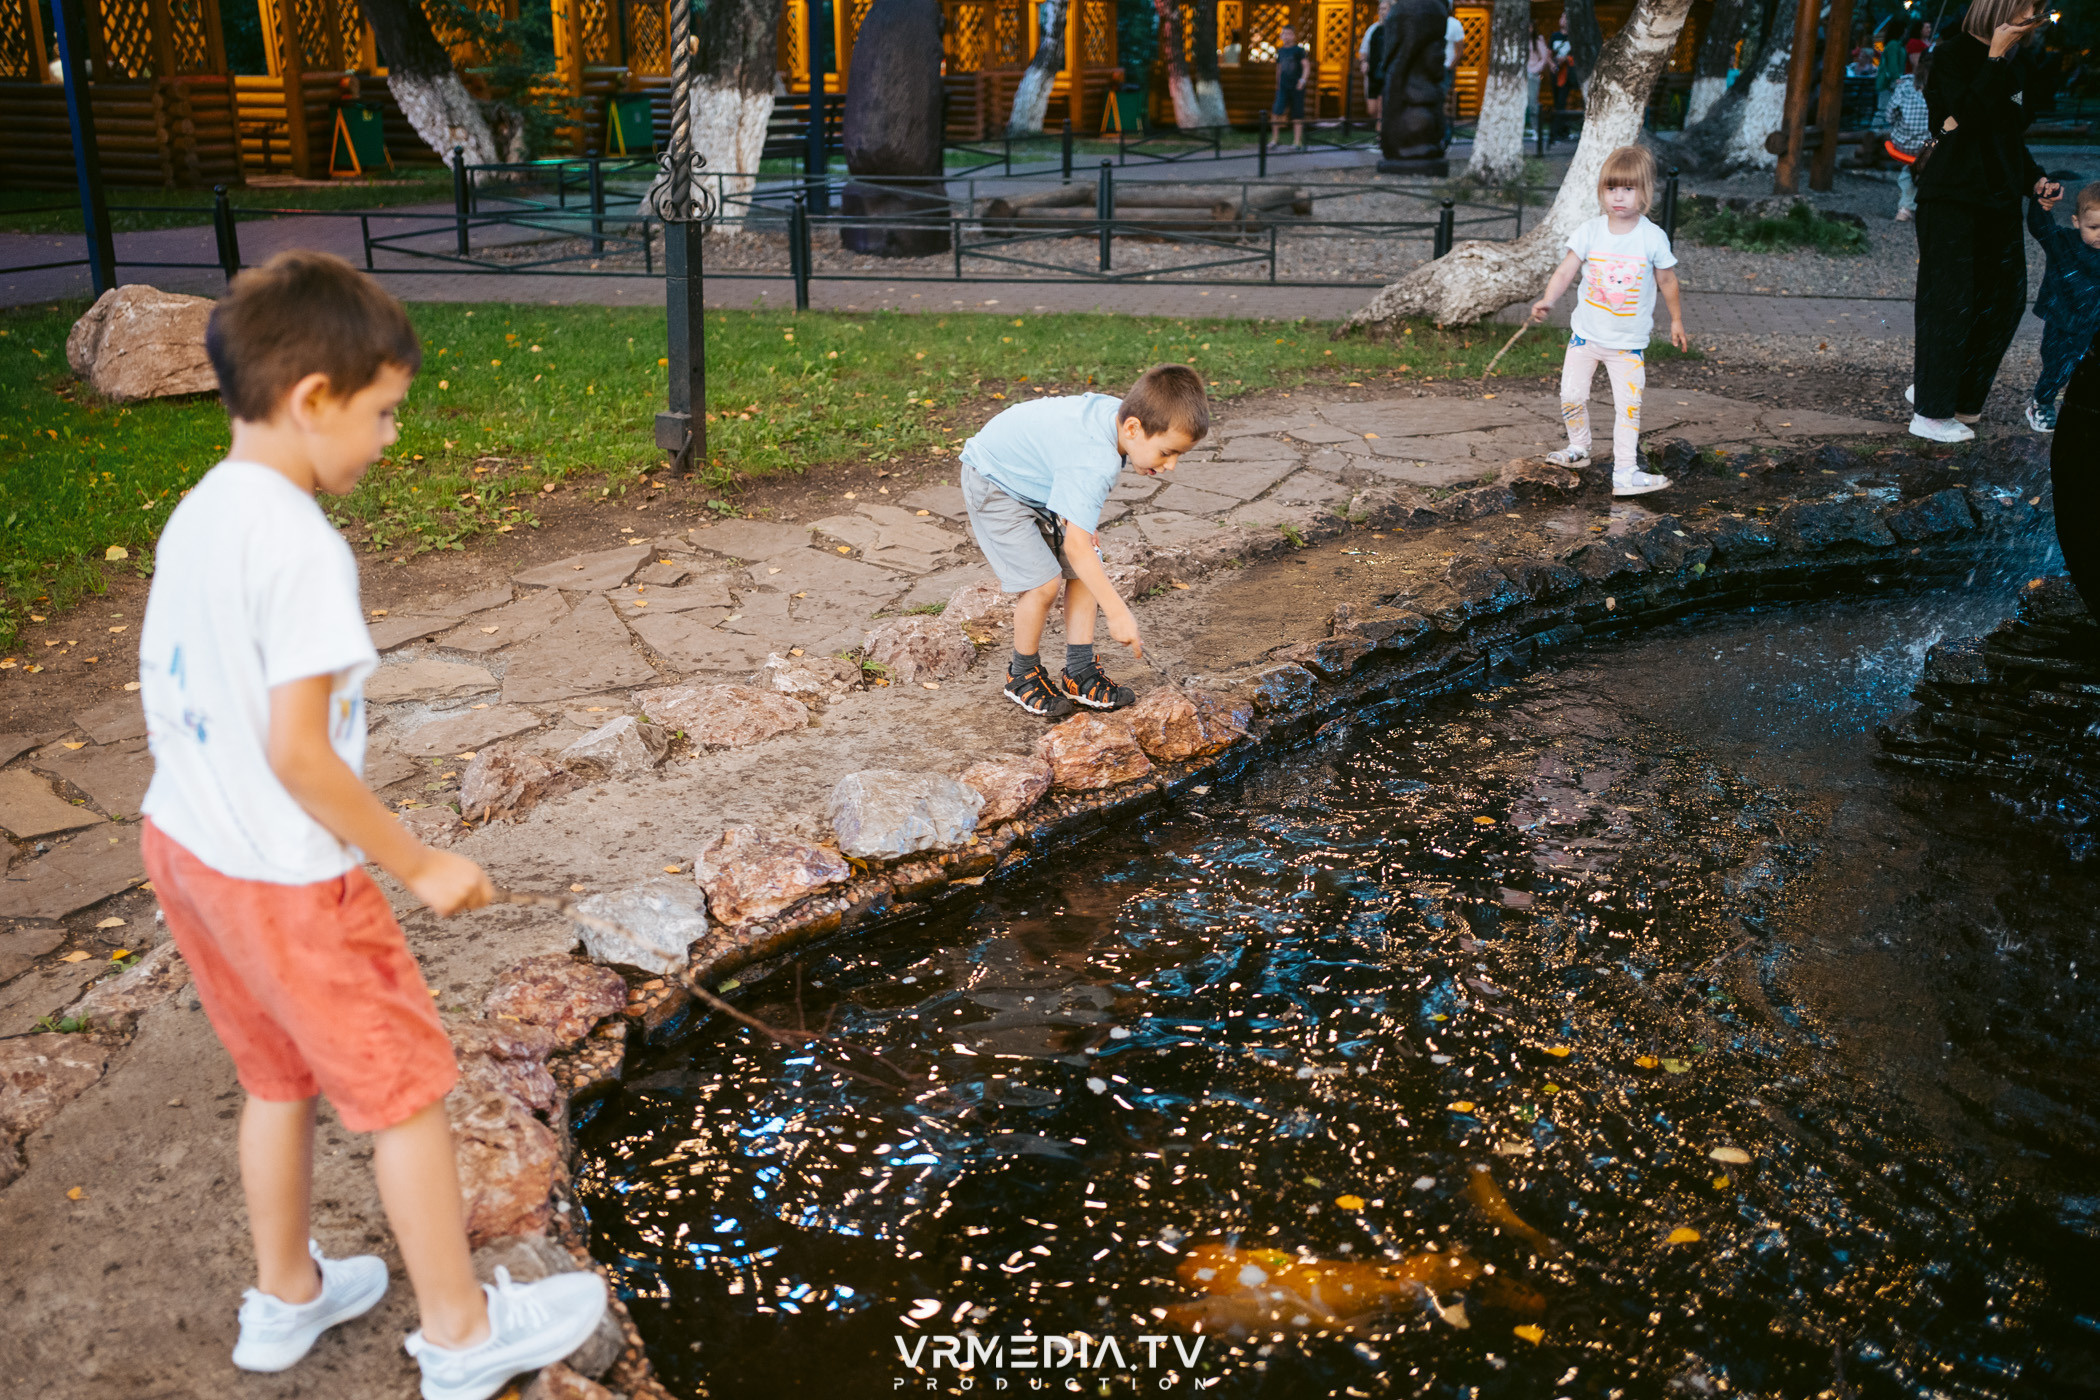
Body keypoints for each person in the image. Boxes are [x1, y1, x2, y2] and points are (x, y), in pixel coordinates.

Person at [137, 250, 609, 1400]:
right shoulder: (301, 546)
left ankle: (287, 1291)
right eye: (385, 411)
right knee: (407, 1096)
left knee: (276, 1077)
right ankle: (461, 1332)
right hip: (291, 878)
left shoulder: (203, 508)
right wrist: (419, 859)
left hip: (189, 847)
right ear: (314, 398)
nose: (391, 436)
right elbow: (299, 754)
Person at [959, 366, 1208, 717]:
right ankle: (1021, 673)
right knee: (1044, 583)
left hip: (1037, 477)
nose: (1172, 465)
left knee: (1088, 562)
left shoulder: (1118, 421)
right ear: (1133, 428)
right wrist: (1118, 613)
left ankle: (1079, 670)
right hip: (996, 480)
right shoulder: (1096, 460)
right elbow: (1076, 533)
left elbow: (1069, 464)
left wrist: (1078, 520)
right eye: (1167, 452)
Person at [1907, 0, 2063, 443]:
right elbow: (1962, 122)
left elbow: (2007, 136)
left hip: (1998, 200)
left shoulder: (2016, 66)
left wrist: (2035, 180)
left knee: (2004, 302)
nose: (2032, 18)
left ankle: (1959, 399)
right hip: (1952, 195)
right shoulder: (1951, 55)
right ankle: (1930, 412)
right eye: (2028, 9)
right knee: (1950, 301)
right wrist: (1993, 58)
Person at [1527, 144, 1690, 497]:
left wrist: (1676, 320)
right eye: (1611, 188)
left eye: (1628, 189)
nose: (1618, 197)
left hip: (1627, 346)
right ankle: (1578, 447)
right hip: (1585, 338)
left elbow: (1667, 281)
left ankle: (1626, 472)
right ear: (1601, 191)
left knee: (1628, 408)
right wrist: (1548, 300)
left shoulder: (1651, 237)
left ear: (1644, 192)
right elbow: (1565, 271)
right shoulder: (1590, 231)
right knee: (1571, 395)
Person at [2023, 183, 2100, 432]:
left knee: (2091, 369)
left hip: (2095, 322)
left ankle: (2086, 408)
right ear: (2077, 222)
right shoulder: (2064, 242)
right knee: (2058, 365)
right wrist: (2040, 205)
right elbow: (2040, 228)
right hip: (2064, 321)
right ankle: (2042, 402)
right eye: (2094, 227)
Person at [1882, 49, 1932, 222]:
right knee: (1927, 161)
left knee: (1911, 167)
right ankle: (1917, 207)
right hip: (1929, 148)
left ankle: (1906, 208)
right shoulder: (1940, 88)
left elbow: (1889, 116)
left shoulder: (1904, 86)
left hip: (1903, 144)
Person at [1273, 25, 1310, 150]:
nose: (1286, 36)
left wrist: (1302, 80)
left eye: (1289, 34)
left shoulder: (1299, 51)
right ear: (1281, 36)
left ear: (1293, 36)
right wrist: (1278, 84)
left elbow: (1306, 66)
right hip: (1283, 87)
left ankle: (1297, 142)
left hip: (1296, 87)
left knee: (1297, 114)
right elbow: (1279, 68)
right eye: (1284, 34)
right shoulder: (1280, 51)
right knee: (1276, 111)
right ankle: (1275, 139)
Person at [1442, 4, 1466, 145]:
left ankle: (1446, 135)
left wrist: (1450, 67)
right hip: (1431, 68)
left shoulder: (1454, 24)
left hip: (1445, 68)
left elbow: (1460, 51)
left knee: (1445, 102)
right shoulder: (1431, 21)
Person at [1526, 27, 1553, 141]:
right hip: (1521, 75)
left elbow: (1545, 57)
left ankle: (1536, 129)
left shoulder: (1538, 41)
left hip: (1532, 75)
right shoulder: (1519, 40)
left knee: (1533, 103)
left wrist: (1535, 69)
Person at [1359, 17, 1385, 121]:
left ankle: (1380, 128)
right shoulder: (1373, 29)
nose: (1382, 12)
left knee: (1381, 108)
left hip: (1387, 74)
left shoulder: (1394, 28)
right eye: (1381, 9)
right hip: (1373, 73)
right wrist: (1364, 62)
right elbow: (1363, 50)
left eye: (1385, 9)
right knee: (1372, 110)